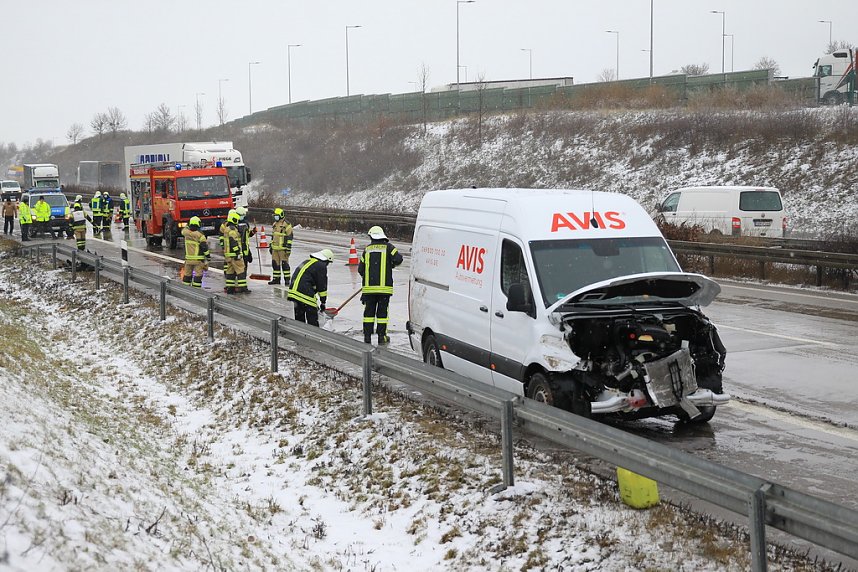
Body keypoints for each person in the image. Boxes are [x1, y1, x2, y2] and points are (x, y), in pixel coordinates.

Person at [358, 225, 403, 345]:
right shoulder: (389, 247)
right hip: (384, 290)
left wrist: (369, 277)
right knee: (382, 314)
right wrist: (390, 264)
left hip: (369, 290)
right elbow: (399, 259)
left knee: (368, 314)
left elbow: (360, 269)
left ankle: (367, 338)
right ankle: (381, 337)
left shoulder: (367, 250)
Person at [287, 249, 333, 327]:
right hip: (304, 293)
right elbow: (322, 286)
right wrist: (323, 302)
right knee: (312, 319)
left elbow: (307, 279)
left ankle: (300, 335)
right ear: (326, 260)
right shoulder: (321, 266)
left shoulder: (307, 261)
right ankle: (314, 336)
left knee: (299, 319)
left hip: (293, 293)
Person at [268, 207, 294, 285]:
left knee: (285, 264)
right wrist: (270, 245)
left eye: (276, 215)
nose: (275, 217)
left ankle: (287, 280)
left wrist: (288, 248)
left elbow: (290, 237)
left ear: (281, 215)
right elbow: (273, 236)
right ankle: (276, 279)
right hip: (275, 248)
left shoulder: (287, 224)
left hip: (283, 249)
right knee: (275, 264)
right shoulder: (275, 224)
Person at [182, 216, 210, 288]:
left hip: (188, 260)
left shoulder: (186, 234)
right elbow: (204, 247)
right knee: (198, 275)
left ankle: (186, 289)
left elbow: (185, 229)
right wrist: (208, 256)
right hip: (198, 260)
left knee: (187, 275)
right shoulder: (201, 236)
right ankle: (196, 291)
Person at [222, 210, 246, 294]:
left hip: (228, 255)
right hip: (234, 255)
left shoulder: (227, 229)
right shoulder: (232, 230)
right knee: (241, 270)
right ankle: (242, 287)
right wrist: (238, 252)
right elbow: (233, 242)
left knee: (230, 272)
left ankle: (230, 288)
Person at [236, 206, 256, 292]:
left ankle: (242, 286)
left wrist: (252, 232)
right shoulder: (235, 225)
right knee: (241, 270)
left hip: (244, 249)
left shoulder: (245, 224)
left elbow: (246, 236)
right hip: (240, 250)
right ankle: (242, 287)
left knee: (243, 269)